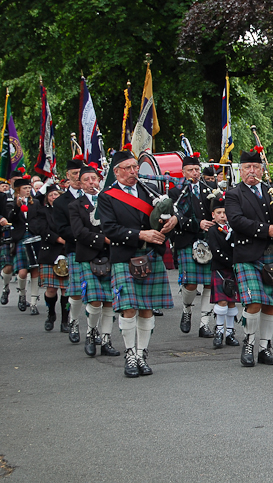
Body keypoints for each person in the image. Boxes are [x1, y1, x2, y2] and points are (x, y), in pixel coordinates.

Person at [98, 151, 177, 377]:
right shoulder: (107, 196)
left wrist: (174, 219)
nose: (134, 172)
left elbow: (168, 211)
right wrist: (142, 234)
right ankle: (130, 354)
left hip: (150, 255)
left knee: (146, 309)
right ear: (117, 172)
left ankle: (142, 354)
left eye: (135, 167)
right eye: (128, 168)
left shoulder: (148, 190)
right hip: (125, 256)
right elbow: (110, 230)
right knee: (128, 309)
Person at [224, 149, 273, 367]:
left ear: (262, 170)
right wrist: (267, 230)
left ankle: (265, 348)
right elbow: (236, 221)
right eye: (247, 168)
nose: (252, 171)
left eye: (255, 167)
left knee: (271, 305)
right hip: (247, 255)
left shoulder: (272, 191)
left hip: (272, 255)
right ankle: (249, 342)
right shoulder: (233, 194)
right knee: (254, 302)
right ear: (241, 170)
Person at [69, 166, 120, 356]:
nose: (91, 182)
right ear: (80, 184)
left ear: (99, 180)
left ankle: (106, 340)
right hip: (89, 255)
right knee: (95, 301)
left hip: (111, 255)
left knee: (109, 302)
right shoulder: (75, 205)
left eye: (94, 179)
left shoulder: (109, 200)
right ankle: (91, 334)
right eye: (87, 180)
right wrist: (104, 240)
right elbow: (78, 232)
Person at [171, 153, 215, 338]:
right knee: (190, 284)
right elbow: (177, 218)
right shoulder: (176, 191)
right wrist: (198, 224)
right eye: (191, 170)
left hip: (208, 241)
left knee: (209, 284)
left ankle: (205, 323)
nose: (195, 173)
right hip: (187, 240)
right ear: (183, 172)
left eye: (197, 169)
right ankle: (187, 310)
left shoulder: (209, 189)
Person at [52, 158, 87, 343]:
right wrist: (84, 235)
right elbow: (62, 229)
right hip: (75, 248)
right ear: (67, 176)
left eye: (80, 173)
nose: (78, 177)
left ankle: (93, 329)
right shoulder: (60, 202)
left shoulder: (95, 196)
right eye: (74, 174)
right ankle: (73, 320)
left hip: (97, 249)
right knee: (75, 291)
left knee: (96, 293)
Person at [29, 184, 70, 332]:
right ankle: (51, 313)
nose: (54, 197)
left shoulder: (68, 210)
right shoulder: (42, 211)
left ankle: (65, 321)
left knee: (66, 290)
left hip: (66, 252)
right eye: (51, 195)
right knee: (51, 290)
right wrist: (59, 239)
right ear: (47, 198)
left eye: (56, 195)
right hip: (49, 252)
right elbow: (42, 229)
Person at [206, 193, 240, 348]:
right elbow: (215, 250)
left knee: (232, 302)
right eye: (219, 213)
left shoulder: (235, 229)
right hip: (221, 268)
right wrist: (231, 261)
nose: (222, 216)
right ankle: (219, 331)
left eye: (225, 213)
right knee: (222, 301)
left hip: (233, 268)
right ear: (213, 215)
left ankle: (230, 333)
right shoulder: (212, 231)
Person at [7, 176, 41, 313]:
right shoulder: (11, 203)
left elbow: (39, 217)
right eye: (24, 188)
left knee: (35, 270)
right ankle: (22, 295)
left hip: (34, 236)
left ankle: (33, 303)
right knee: (22, 272)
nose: (27, 190)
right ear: (18, 190)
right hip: (21, 238)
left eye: (29, 188)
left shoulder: (36, 202)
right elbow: (11, 218)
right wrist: (17, 206)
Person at [1, 170, 24, 305]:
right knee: (8, 267)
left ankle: (23, 295)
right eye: (14, 180)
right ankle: (5, 288)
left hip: (23, 235)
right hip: (8, 233)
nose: (17, 182)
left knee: (24, 269)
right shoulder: (4, 195)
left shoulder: (29, 196)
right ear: (10, 181)